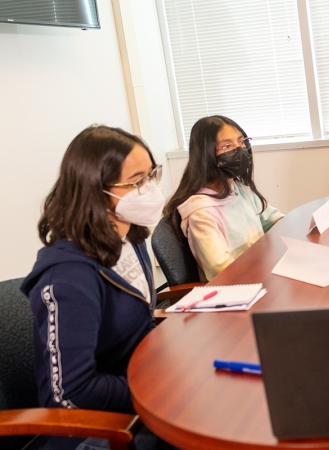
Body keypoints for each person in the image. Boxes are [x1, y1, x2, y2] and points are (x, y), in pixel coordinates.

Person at [21, 126, 165, 450]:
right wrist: (156, 391)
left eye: (152, 176)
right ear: (96, 191)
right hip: (96, 431)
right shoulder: (67, 279)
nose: (151, 189)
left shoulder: (131, 239)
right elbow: (72, 391)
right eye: (137, 182)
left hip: (141, 398)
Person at [164, 115, 283, 281]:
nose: (240, 150)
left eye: (242, 142)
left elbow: (276, 221)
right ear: (206, 155)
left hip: (261, 276)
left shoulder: (240, 190)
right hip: (237, 290)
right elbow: (222, 271)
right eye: (227, 146)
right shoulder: (201, 213)